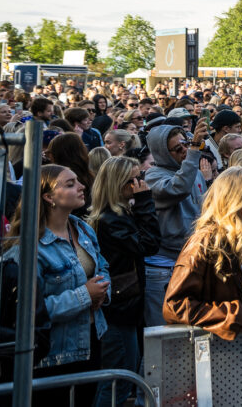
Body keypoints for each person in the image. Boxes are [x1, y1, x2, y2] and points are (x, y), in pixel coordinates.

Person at [2, 165, 111, 406]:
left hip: (92, 339)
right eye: (70, 184)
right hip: (55, 355)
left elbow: (101, 265)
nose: (82, 186)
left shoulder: (81, 228)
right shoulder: (28, 247)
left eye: (78, 181)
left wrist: (103, 291)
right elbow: (29, 311)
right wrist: (85, 295)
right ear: (48, 197)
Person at [163, 167, 242, 340]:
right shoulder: (205, 243)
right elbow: (175, 306)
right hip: (217, 350)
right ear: (236, 201)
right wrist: (237, 316)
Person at [87, 157, 161, 407]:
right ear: (118, 184)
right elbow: (148, 244)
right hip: (117, 309)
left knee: (121, 374)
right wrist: (144, 202)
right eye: (133, 180)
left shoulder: (117, 214)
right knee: (118, 378)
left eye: (141, 177)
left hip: (122, 306)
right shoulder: (111, 219)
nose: (140, 184)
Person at [145, 121, 209, 326]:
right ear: (162, 152)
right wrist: (193, 152)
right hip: (164, 266)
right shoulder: (153, 176)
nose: (184, 151)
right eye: (177, 149)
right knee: (164, 329)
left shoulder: (194, 171)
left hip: (192, 259)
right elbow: (178, 188)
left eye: (185, 144)